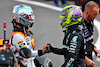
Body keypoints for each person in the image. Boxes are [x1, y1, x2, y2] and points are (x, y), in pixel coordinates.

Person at [82, 1, 100, 67]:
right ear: (87, 12)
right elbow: (75, 46)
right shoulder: (79, 24)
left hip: (88, 54)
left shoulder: (91, 20)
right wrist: (85, 59)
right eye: (94, 14)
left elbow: (89, 38)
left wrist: (94, 47)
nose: (96, 16)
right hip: (81, 58)